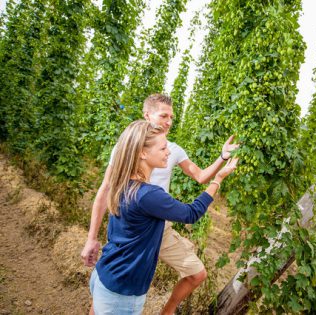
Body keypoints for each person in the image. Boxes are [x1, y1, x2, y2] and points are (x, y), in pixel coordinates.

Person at [81, 93, 239, 314]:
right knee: (123, 275)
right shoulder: (129, 153)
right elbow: (105, 189)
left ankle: (164, 309)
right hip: (136, 224)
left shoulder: (167, 151)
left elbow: (200, 175)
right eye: (164, 115)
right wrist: (91, 238)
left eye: (172, 117)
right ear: (147, 115)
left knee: (193, 273)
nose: (169, 122)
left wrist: (222, 157)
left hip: (157, 225)